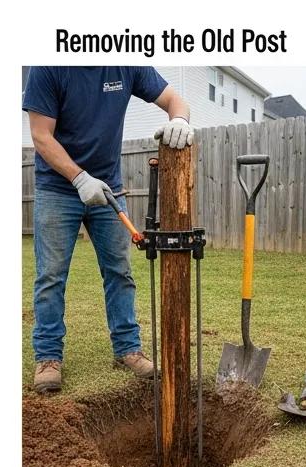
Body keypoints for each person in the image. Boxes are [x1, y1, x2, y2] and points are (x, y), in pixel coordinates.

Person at [23, 66, 194, 394]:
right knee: (51, 277)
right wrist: (78, 177)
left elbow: (175, 100)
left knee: (120, 272)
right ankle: (47, 357)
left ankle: (128, 349)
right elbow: (41, 135)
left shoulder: (126, 62)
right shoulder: (48, 66)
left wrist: (180, 120)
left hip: (108, 188)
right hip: (58, 188)